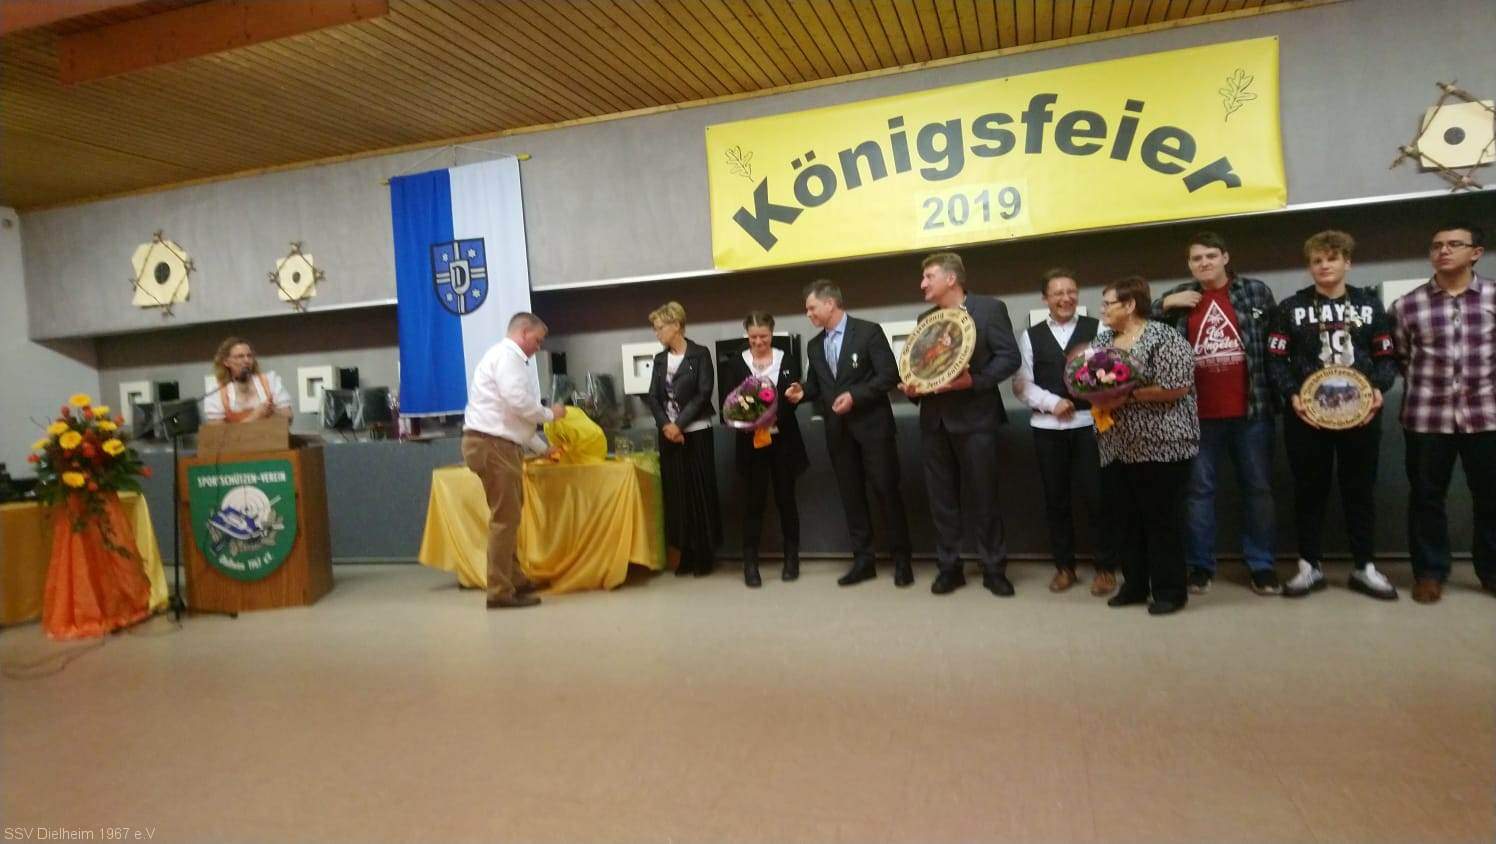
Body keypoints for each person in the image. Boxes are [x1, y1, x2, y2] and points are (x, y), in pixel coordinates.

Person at [1267, 231, 1400, 600]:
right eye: (1317, 260)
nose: (1324, 266)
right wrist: (1293, 395)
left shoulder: (1370, 305)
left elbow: (1386, 356)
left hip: (1361, 414)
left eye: (1332, 258)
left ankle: (1365, 566)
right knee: (1309, 491)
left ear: (1347, 262)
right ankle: (1309, 565)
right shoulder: (1290, 308)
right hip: (1306, 417)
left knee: (1360, 490)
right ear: (1309, 267)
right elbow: (1275, 360)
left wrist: (1378, 389)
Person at [1154, 232, 1280, 595]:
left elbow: (1277, 341)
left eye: (1211, 255)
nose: (1204, 263)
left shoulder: (1255, 292)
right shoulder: (1180, 297)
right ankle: (1200, 566)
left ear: (1225, 257)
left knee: (1258, 490)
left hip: (1252, 410)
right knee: (1198, 493)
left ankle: (1262, 565)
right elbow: (1141, 324)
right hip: (1196, 416)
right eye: (1197, 258)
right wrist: (1166, 303)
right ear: (1189, 265)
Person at [899, 252, 1020, 597]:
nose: (922, 284)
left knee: (985, 497)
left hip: (976, 419)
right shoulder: (926, 319)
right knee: (941, 501)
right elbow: (924, 367)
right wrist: (913, 388)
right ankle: (949, 568)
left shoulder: (990, 309)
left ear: (951, 278)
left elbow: (1009, 357)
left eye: (929, 276)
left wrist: (974, 381)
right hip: (934, 422)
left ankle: (993, 568)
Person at [1391, 222, 1496, 604]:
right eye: (1437, 245)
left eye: (1454, 244)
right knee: (1426, 498)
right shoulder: (1407, 305)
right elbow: (1402, 357)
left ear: (1476, 253)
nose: (1444, 251)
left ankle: (1491, 571)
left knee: (1491, 498)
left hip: (1486, 416)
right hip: (1426, 417)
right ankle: (1429, 573)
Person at [785, 280, 913, 587]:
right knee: (851, 498)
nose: (808, 314)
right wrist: (801, 392)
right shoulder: (815, 345)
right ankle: (864, 560)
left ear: (830, 303)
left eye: (811, 308)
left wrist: (855, 396)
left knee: (886, 492)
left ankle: (902, 560)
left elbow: (888, 375)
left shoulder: (868, 332)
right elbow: (818, 385)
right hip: (838, 433)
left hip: (873, 429)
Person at [1091, 277, 1200, 616]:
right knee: (1127, 521)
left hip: (1162, 445)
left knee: (1161, 521)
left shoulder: (1164, 337)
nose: (1103, 310)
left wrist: (1127, 395)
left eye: (1108, 303)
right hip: (1116, 445)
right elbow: (1089, 381)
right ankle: (1135, 585)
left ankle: (1170, 591)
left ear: (1129, 305)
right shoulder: (1102, 340)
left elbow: (1177, 387)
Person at [1013, 268, 1118, 596]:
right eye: (1057, 293)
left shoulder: (1098, 328)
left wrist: (1096, 391)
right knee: (1055, 500)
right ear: (1045, 298)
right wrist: (1051, 402)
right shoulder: (1030, 336)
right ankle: (1064, 567)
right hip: (1047, 429)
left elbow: (1113, 372)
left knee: (1098, 499)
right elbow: (1021, 384)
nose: (1065, 298)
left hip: (1090, 425)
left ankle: (1105, 568)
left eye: (1071, 291)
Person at [462, 312, 564, 610]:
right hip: (494, 446)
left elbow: (514, 421)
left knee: (508, 517)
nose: (538, 347)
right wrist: (551, 414)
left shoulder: (504, 357)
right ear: (523, 332)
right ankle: (499, 591)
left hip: (496, 444)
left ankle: (515, 579)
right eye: (537, 340)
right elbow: (518, 403)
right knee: (505, 521)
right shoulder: (509, 357)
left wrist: (543, 448)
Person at [722, 311, 809, 587]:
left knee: (786, 500)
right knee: (753, 503)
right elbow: (729, 401)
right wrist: (750, 421)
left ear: (772, 333)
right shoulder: (736, 363)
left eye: (764, 337)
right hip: (751, 444)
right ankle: (750, 564)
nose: (759, 342)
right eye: (753, 337)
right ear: (747, 335)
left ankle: (792, 559)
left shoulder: (787, 359)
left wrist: (774, 416)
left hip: (784, 441)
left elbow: (794, 397)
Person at [644, 301, 723, 577]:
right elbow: (653, 396)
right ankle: (685, 552)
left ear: (676, 325)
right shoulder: (659, 360)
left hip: (696, 431)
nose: (656, 333)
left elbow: (703, 393)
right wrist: (667, 426)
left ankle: (704, 554)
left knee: (699, 492)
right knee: (677, 495)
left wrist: (679, 425)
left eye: (659, 328)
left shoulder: (700, 354)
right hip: (668, 434)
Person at [202, 337, 293, 424]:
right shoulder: (217, 390)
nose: (246, 360)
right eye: (240, 356)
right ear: (226, 362)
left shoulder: (269, 381)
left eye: (249, 356)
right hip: (237, 436)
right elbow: (217, 431)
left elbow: (289, 417)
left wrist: (273, 411)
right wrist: (255, 416)